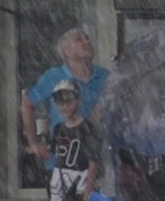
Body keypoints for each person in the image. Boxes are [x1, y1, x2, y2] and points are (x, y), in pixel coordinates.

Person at [22, 28, 109, 170]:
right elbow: (27, 103)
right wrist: (33, 143)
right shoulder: (53, 76)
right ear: (65, 51)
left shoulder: (105, 76)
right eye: (79, 39)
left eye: (87, 38)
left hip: (98, 161)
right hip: (63, 164)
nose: (87, 42)